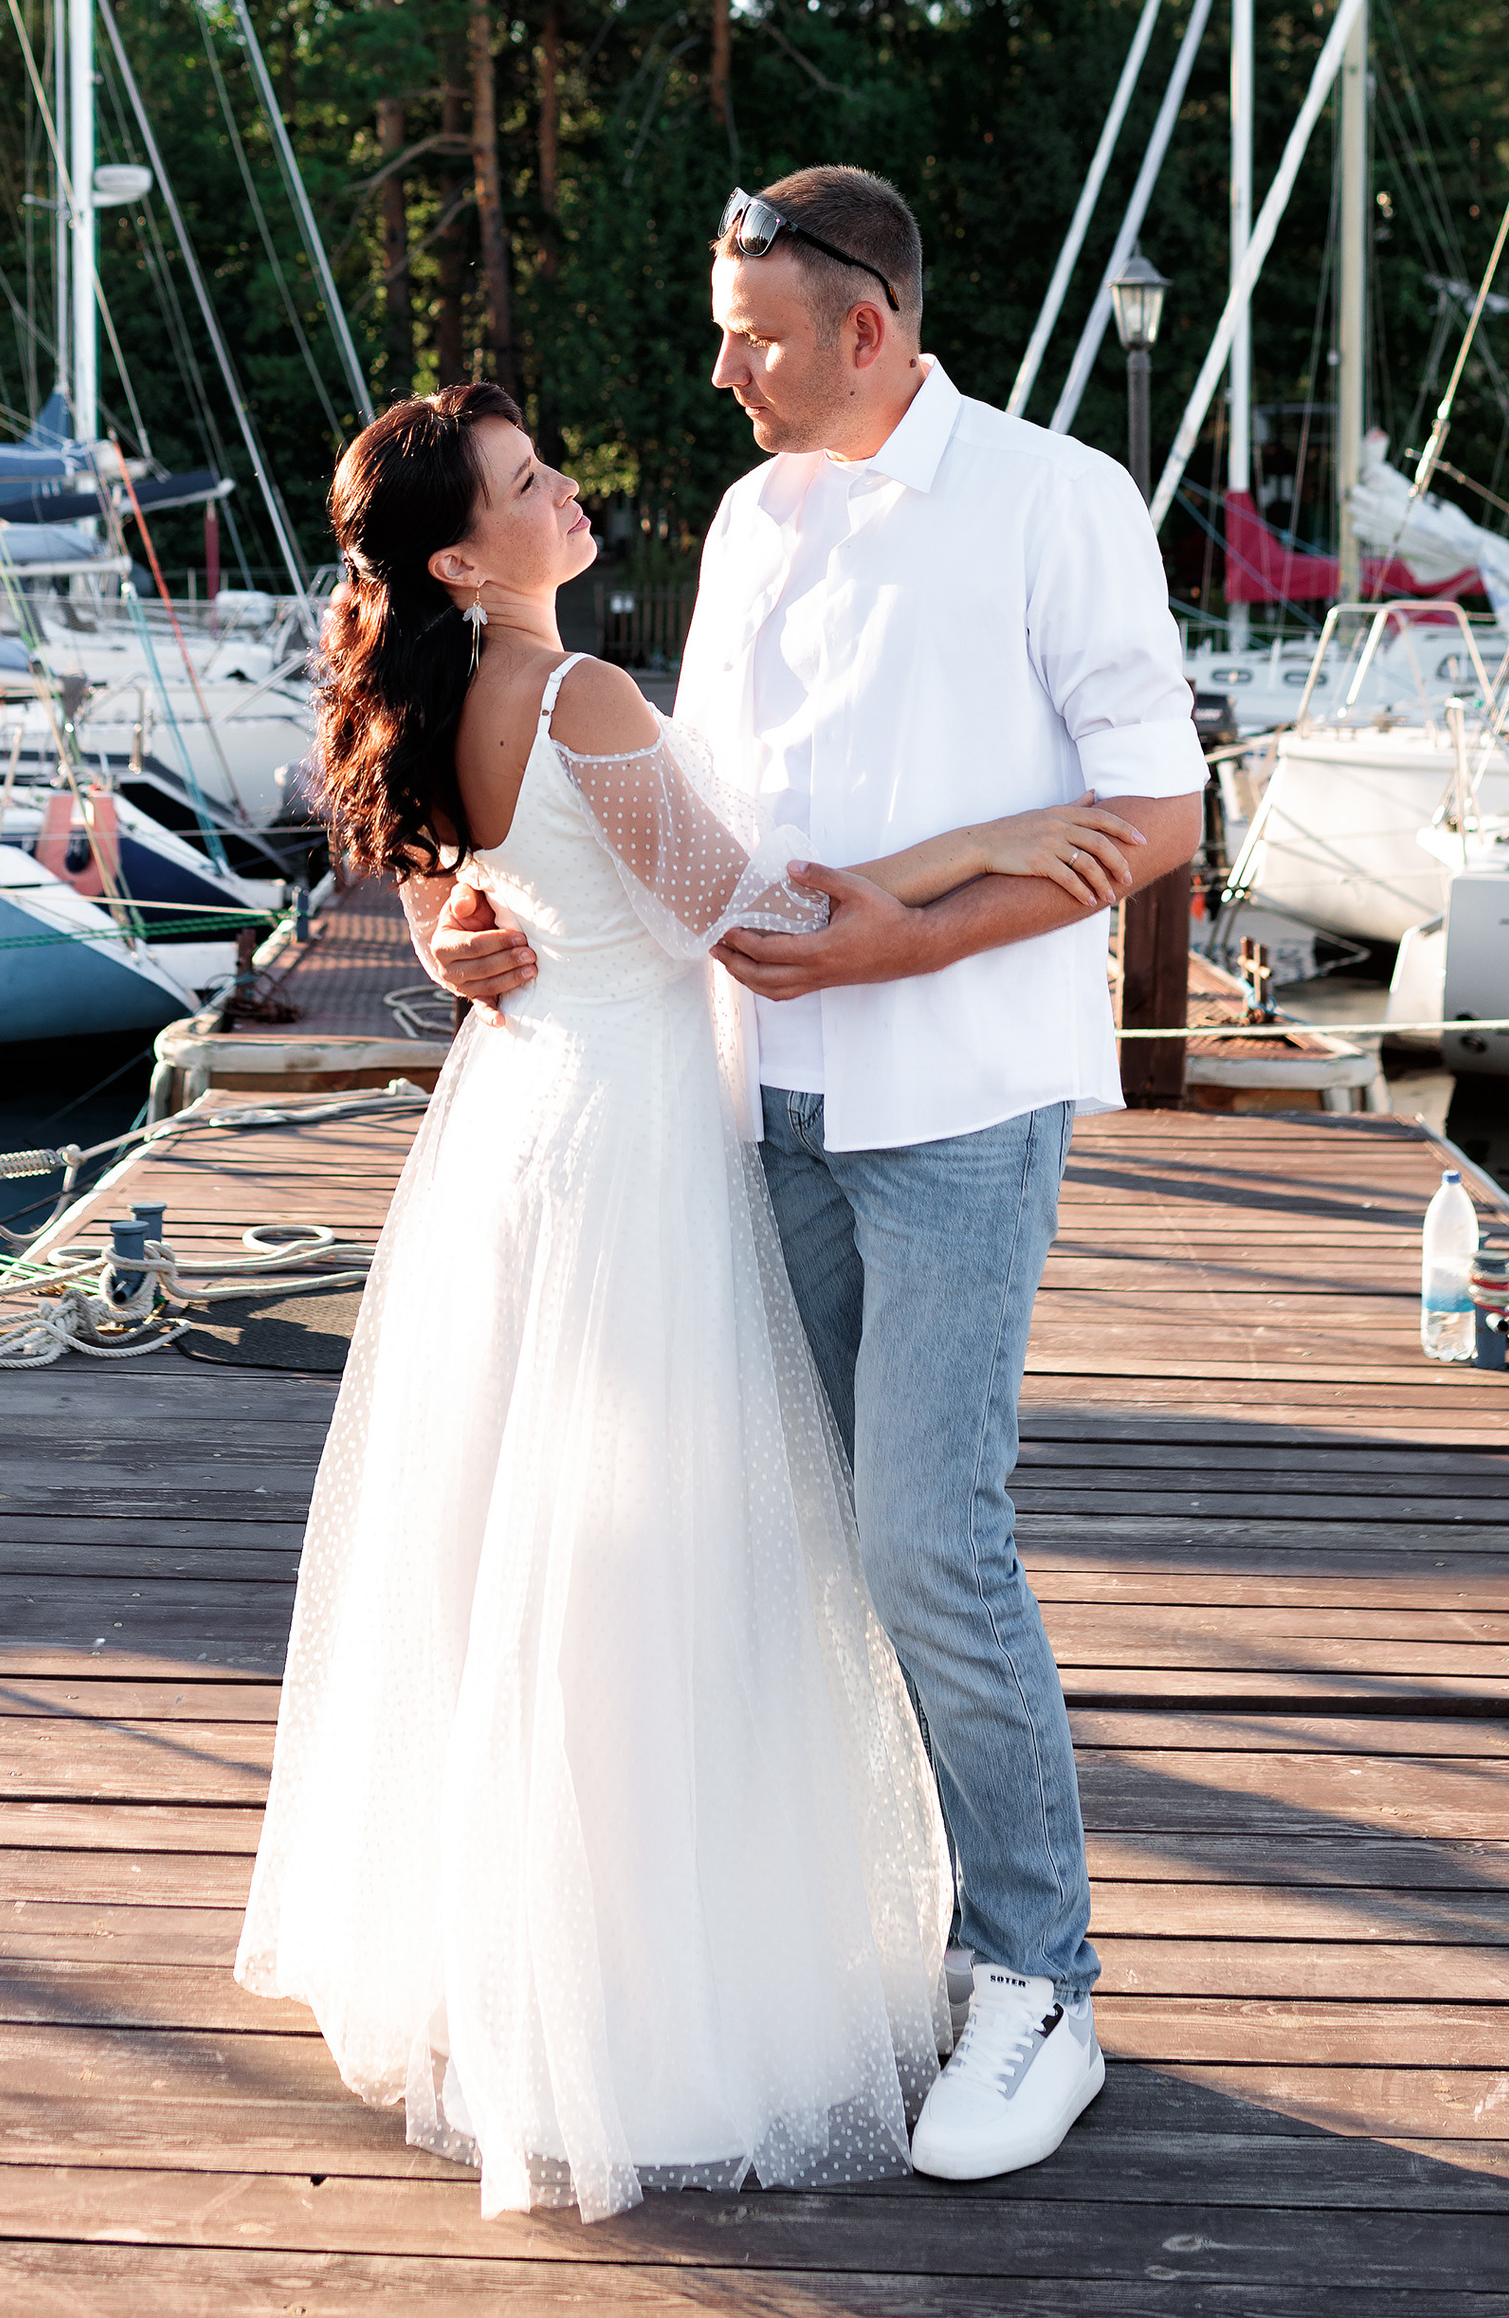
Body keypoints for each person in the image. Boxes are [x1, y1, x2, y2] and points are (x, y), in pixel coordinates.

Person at [238, 377, 1153, 2222]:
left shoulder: (458, 697)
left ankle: (552, 1954)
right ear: (458, 553)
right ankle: (651, 1984)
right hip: (641, 1129)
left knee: (537, 1547)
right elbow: (749, 916)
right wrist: (1007, 849)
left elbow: (475, 880)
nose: (564, 487)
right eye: (525, 482)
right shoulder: (580, 694)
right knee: (654, 1565)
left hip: (528, 1120)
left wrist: (467, 930)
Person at [426, 167, 1207, 2179]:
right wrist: (478, 915)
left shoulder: (1055, 500)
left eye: (750, 333)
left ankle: (1039, 1984)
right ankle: (827, 1942)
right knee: (760, 1544)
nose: (720, 368)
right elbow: (691, 810)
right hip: (745, 1099)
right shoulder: (755, 525)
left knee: (926, 1538)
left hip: (952, 1098)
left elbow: (1145, 811)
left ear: (865, 329)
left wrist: (908, 936)